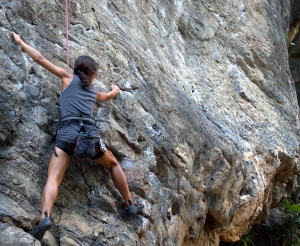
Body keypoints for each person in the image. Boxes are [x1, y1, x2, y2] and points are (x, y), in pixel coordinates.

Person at [12, 32, 144, 241]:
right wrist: (116, 89)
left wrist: (20, 42)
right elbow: (108, 96)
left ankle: (44, 217)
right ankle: (129, 204)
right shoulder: (94, 92)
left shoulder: (67, 78)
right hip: (89, 137)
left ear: (75, 70)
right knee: (113, 165)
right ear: (92, 75)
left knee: (53, 179)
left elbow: (39, 59)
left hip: (66, 134)